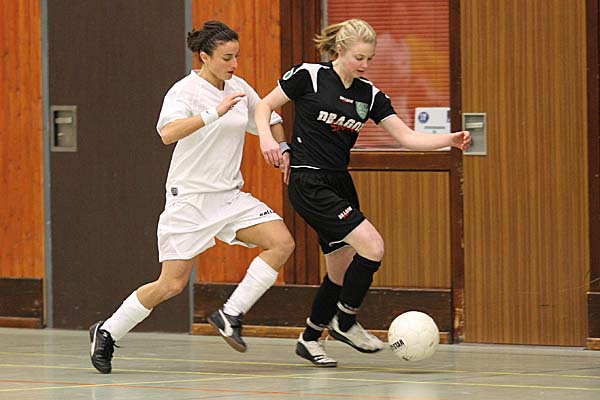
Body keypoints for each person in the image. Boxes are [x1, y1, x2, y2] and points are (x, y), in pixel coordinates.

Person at [255, 19, 470, 367]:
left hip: (340, 183)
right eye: (359, 57)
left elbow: (406, 137)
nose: (365, 65)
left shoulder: (369, 95)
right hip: (308, 182)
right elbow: (263, 106)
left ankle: (309, 339)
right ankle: (345, 320)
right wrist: (272, 141)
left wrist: (450, 140)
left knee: (339, 270)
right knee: (373, 246)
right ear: (340, 50)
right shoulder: (309, 75)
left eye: (370, 59)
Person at [89, 20, 295, 374]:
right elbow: (168, 133)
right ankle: (107, 331)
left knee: (282, 243)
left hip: (229, 196)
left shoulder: (239, 87)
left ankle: (230, 314)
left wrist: (281, 146)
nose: (234, 64)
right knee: (171, 284)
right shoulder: (184, 91)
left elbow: (269, 116)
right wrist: (214, 113)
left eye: (237, 56)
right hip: (190, 199)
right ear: (204, 57)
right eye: (227, 58)